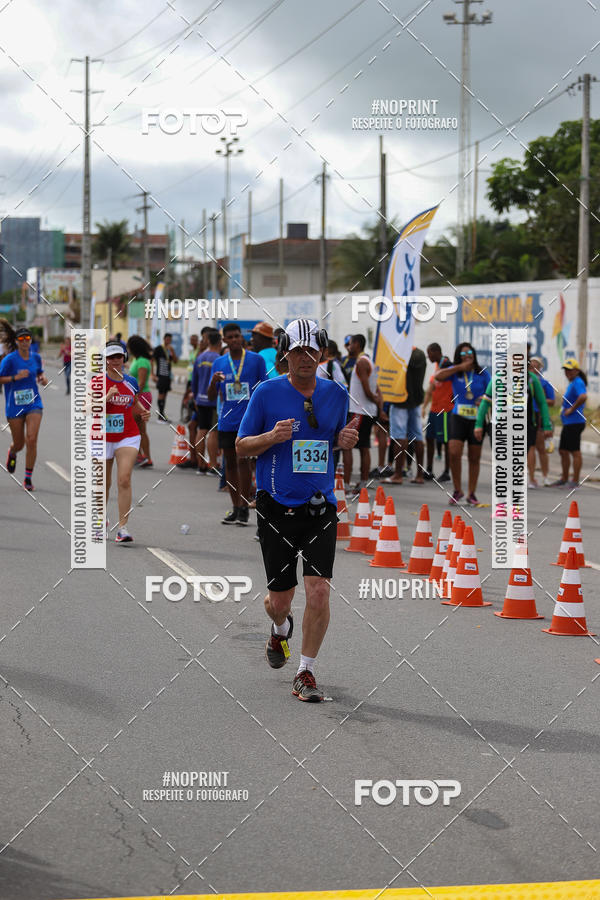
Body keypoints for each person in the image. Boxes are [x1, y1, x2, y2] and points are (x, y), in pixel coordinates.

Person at [236, 318, 359, 702]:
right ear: (284, 355)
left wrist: (343, 440)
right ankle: (279, 628)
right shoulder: (266, 393)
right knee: (280, 601)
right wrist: (271, 437)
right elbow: (241, 446)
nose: (305, 358)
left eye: (311, 351)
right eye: (297, 352)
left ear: (321, 353)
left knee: (319, 589)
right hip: (276, 507)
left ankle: (304, 671)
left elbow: (333, 440)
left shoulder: (336, 394)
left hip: (320, 506)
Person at [207, 322, 267, 525]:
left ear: (241, 337)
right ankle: (235, 507)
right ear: (224, 340)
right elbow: (211, 396)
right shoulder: (219, 363)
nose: (233, 340)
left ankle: (244, 507)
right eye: (229, 337)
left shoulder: (256, 360)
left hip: (249, 421)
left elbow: (264, 389)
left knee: (244, 462)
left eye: (236, 336)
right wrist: (214, 382)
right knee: (230, 463)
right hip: (227, 420)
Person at [90, 341, 150, 542]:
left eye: (118, 357)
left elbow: (134, 404)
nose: (115, 360)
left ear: (124, 358)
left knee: (124, 479)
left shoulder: (131, 382)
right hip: (102, 437)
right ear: (105, 360)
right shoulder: (97, 382)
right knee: (102, 483)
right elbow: (86, 408)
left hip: (127, 435)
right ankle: (100, 520)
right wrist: (106, 397)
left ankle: (123, 528)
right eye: (111, 357)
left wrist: (142, 411)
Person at [474, 352, 553, 489]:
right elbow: (485, 402)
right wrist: (478, 424)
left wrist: (546, 425)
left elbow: (542, 403)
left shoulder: (531, 379)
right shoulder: (498, 378)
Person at [434, 342, 491, 505]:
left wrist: (485, 399)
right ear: (459, 357)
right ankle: (457, 490)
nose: (468, 357)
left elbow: (495, 391)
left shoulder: (482, 373)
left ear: (474, 355)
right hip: (458, 417)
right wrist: (459, 367)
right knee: (453, 452)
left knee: (474, 457)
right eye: (464, 355)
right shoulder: (455, 373)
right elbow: (438, 376)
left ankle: (471, 493)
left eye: (470, 353)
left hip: (477, 419)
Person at [0, 323, 48, 491]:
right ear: (17, 341)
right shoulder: (9, 360)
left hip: (34, 403)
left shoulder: (35, 357)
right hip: (14, 406)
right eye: (21, 339)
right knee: (20, 444)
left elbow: (40, 372)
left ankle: (28, 477)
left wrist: (43, 378)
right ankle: (12, 451)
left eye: (27, 338)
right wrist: (15, 377)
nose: (25, 342)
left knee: (32, 439)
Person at [344, 334, 381, 491]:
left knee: (347, 446)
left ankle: (345, 484)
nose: (348, 347)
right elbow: (375, 388)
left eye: (350, 344)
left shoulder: (361, 362)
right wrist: (377, 405)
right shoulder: (369, 361)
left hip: (359, 410)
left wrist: (374, 401)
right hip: (366, 411)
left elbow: (367, 390)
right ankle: (363, 483)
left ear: (357, 344)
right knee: (364, 446)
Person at [385, 346, 427, 485]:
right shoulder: (419, 354)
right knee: (418, 437)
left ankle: (398, 474)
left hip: (400, 400)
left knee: (399, 437)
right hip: (415, 400)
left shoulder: (401, 354)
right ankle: (420, 474)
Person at [551, 360, 587, 488]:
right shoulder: (573, 382)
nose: (567, 372)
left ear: (576, 371)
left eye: (570, 370)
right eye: (566, 370)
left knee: (574, 451)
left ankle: (575, 480)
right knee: (563, 450)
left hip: (575, 422)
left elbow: (583, 396)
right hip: (569, 422)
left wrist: (572, 409)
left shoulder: (578, 382)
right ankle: (564, 478)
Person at [191, 329, 222, 474]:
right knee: (213, 433)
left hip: (200, 400)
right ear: (220, 342)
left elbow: (194, 380)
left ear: (208, 341)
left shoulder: (200, 357)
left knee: (201, 431)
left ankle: (200, 464)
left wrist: (196, 397)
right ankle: (213, 465)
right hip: (214, 400)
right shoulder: (219, 359)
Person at [422, 343, 452, 482]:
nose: (428, 356)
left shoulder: (446, 363)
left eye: (429, 353)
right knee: (429, 438)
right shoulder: (436, 367)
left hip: (445, 410)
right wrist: (424, 406)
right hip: (434, 409)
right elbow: (431, 387)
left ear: (436, 352)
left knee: (445, 441)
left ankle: (447, 471)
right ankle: (429, 469)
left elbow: (450, 366)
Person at [127, 335, 154, 468]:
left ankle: (140, 456)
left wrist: (133, 397)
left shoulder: (142, 361)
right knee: (140, 429)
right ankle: (146, 458)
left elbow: (141, 382)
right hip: (141, 396)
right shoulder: (138, 359)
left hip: (140, 396)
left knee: (133, 428)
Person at [529, 357, 556, 486]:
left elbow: (551, 401)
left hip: (539, 415)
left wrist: (540, 398)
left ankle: (545, 476)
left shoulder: (544, 383)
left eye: (536, 366)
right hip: (527, 415)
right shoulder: (525, 381)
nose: (533, 369)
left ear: (540, 368)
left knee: (540, 448)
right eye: (531, 366)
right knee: (530, 448)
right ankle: (531, 477)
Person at [152, 333, 178, 422]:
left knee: (165, 395)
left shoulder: (170, 350)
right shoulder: (159, 348)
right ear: (164, 339)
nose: (168, 341)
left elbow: (175, 361)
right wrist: (152, 374)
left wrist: (173, 351)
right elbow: (152, 360)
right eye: (167, 339)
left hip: (168, 376)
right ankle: (160, 415)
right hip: (161, 375)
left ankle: (162, 414)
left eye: (170, 339)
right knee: (161, 394)